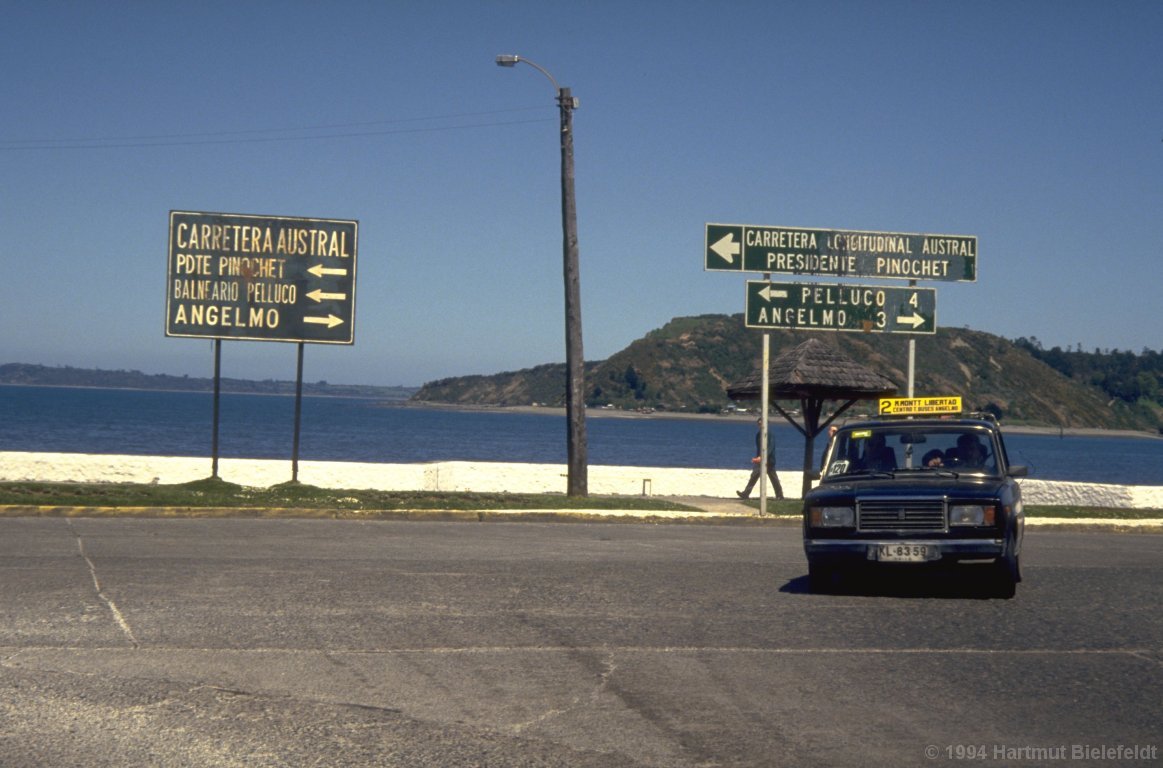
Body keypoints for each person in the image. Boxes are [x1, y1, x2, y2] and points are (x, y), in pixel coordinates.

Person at [738, 418, 784, 499]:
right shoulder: (758, 435)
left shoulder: (769, 434)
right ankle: (746, 493)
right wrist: (758, 458)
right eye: (758, 424)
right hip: (760, 460)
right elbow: (759, 448)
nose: (760, 425)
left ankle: (779, 495)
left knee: (773, 478)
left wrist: (763, 457)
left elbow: (771, 447)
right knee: (754, 475)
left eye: (761, 423)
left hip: (769, 460)